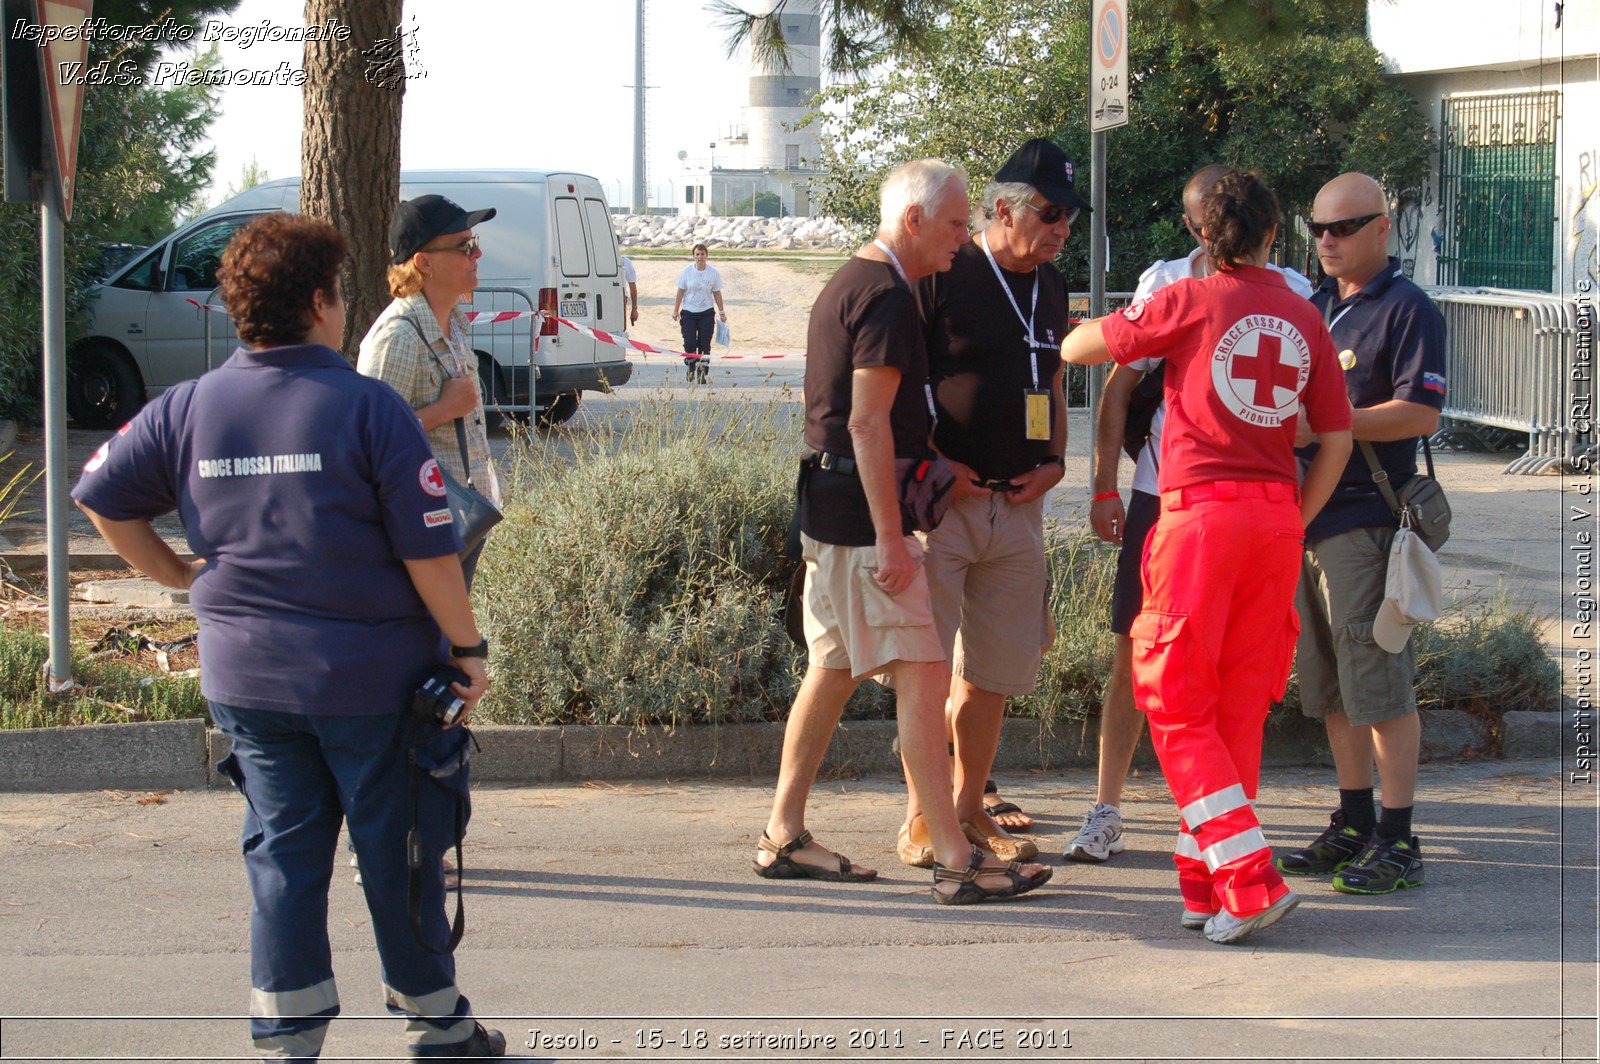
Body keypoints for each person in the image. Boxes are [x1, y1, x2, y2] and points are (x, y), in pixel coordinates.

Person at [70, 214, 506, 1058]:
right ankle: (436, 1024)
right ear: (318, 301)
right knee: (402, 850)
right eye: (339, 294)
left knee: (284, 857)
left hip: (249, 684)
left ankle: (287, 1039)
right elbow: (429, 550)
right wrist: (468, 650)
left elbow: (101, 495)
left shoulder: (190, 407)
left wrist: (178, 576)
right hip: (371, 686)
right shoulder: (367, 408)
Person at [1063, 170, 1353, 945]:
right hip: (1274, 524)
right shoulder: (1304, 315)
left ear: (1198, 235)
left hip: (1198, 519)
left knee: (1175, 701)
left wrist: (1130, 314)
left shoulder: (1186, 300)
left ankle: (1250, 880)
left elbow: (1079, 345)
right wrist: (1297, 516)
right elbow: (1337, 437)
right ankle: (1206, 887)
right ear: (1273, 231)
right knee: (1236, 710)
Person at [754, 158, 1052, 905]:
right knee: (923, 676)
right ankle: (953, 854)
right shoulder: (886, 296)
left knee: (831, 671)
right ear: (913, 220)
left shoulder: (858, 283)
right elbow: (865, 421)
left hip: (831, 508)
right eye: (956, 224)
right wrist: (894, 539)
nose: (964, 237)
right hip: (862, 521)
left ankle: (783, 832)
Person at [896, 138, 1086, 868]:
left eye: (1070, 215)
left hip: (1021, 505)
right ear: (1002, 208)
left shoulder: (1054, 282)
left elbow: (1056, 381)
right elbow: (902, 385)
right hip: (947, 505)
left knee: (994, 675)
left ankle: (970, 808)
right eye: (1052, 212)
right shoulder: (945, 270)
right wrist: (939, 466)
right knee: (928, 672)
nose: (1063, 227)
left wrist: (1058, 460)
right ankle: (922, 816)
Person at [1275, 172, 1446, 895]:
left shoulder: (1407, 307)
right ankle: (1353, 822)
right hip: (1305, 519)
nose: (1327, 242)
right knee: (1331, 687)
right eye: (1317, 229)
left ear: (1384, 227)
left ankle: (1398, 838)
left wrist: (1328, 424)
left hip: (1364, 521)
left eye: (1344, 228)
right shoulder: (1314, 305)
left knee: (1378, 683)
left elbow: (1420, 414)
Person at [359, 194, 501, 587]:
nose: (478, 253)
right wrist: (441, 410)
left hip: (460, 521)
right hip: (424, 532)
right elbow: (367, 443)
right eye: (465, 246)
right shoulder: (399, 336)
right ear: (423, 262)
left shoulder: (452, 323)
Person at [671, 243, 726, 383]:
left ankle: (702, 372)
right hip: (689, 311)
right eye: (697, 254)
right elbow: (680, 291)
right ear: (693, 256)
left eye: (702, 254)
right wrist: (675, 310)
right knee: (689, 342)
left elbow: (717, 293)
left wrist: (722, 312)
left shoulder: (713, 273)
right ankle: (690, 365)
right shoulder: (687, 271)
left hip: (706, 312)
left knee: (704, 343)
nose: (700, 257)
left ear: (706, 255)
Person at [621, 254, 640, 327]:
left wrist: (634, 309)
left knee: (619, 327)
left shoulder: (625, 261)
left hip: (620, 300)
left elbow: (632, 285)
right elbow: (632, 285)